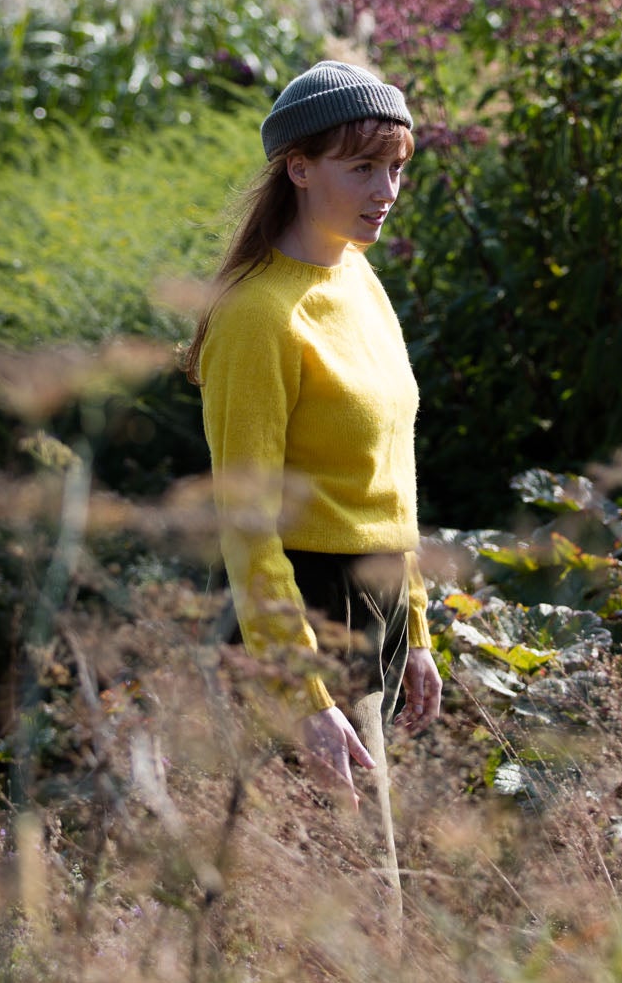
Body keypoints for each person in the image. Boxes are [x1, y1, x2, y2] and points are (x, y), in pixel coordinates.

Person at [186, 60, 442, 809]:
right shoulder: (259, 313)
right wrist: (303, 691)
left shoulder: (358, 277)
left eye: (395, 168)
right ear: (298, 168)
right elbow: (247, 522)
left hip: (380, 603)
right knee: (309, 889)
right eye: (363, 167)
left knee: (374, 878)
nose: (386, 192)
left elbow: (390, 476)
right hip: (304, 610)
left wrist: (417, 628)